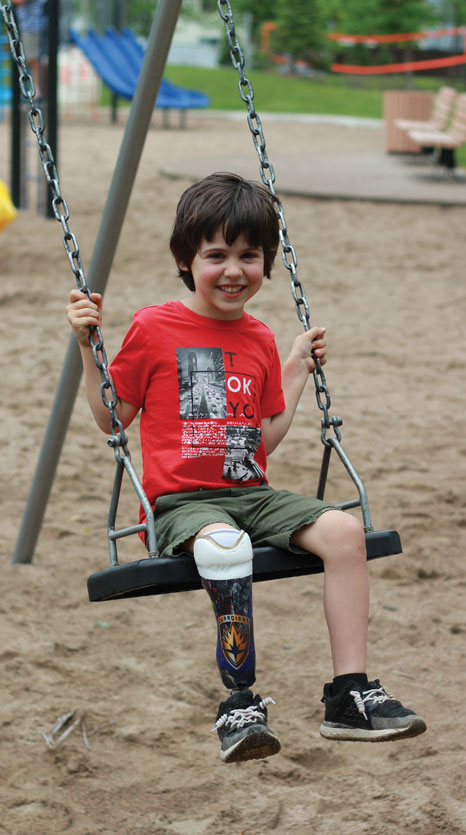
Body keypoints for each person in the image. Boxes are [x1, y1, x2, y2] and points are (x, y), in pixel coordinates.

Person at [66, 172, 427, 764]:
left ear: (266, 263)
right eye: (216, 255)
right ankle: (239, 701)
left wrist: (295, 369)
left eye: (249, 256)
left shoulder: (258, 336)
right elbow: (113, 420)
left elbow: (262, 440)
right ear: (186, 260)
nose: (234, 270)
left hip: (251, 493)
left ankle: (349, 694)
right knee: (226, 545)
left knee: (344, 531)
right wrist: (88, 348)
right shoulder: (154, 327)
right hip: (184, 504)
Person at [11, 0, 46, 94]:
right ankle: (35, 90)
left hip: (32, 28)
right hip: (28, 27)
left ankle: (37, 91)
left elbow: (18, 1)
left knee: (33, 60)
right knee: (31, 60)